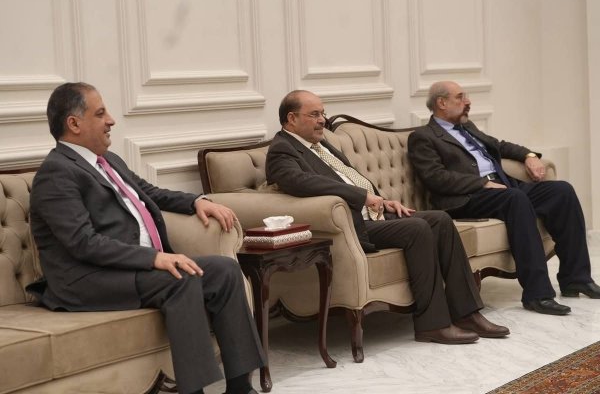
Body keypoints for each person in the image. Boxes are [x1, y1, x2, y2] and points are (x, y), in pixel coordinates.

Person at [26, 82, 264, 394]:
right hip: (88, 278)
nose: (111, 120)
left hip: (129, 269)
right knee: (181, 278)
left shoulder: (108, 160)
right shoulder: (56, 173)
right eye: (100, 114)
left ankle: (241, 388)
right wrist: (154, 258)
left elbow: (150, 193)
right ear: (74, 123)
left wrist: (196, 201)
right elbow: (83, 242)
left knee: (226, 270)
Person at [265, 89, 510, 345]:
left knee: (440, 221)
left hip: (374, 214)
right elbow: (300, 182)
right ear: (291, 118)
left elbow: (349, 177)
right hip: (353, 226)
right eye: (314, 114)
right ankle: (433, 324)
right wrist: (362, 197)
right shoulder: (282, 150)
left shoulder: (320, 144)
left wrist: (383, 200)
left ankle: (468, 314)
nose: (322, 120)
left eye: (323, 113)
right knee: (417, 229)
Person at [407, 80, 600, 316]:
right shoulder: (423, 137)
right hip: (468, 197)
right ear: (442, 103)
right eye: (460, 97)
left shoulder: (467, 127)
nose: (468, 102)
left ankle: (576, 278)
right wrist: (481, 183)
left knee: (562, 191)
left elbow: (500, 146)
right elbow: (435, 177)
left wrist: (529, 156)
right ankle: (537, 294)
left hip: (503, 188)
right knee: (515, 199)